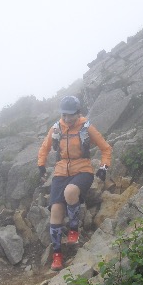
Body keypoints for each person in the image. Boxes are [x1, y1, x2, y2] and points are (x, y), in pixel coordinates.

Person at [38, 96, 112, 271]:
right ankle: (57, 256)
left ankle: (73, 228)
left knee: (70, 192)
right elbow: (44, 147)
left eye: (71, 115)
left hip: (83, 170)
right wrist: (41, 165)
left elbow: (106, 148)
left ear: (78, 113)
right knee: (55, 210)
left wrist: (103, 167)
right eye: (64, 115)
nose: (67, 118)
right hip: (61, 171)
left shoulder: (86, 127)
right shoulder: (56, 128)